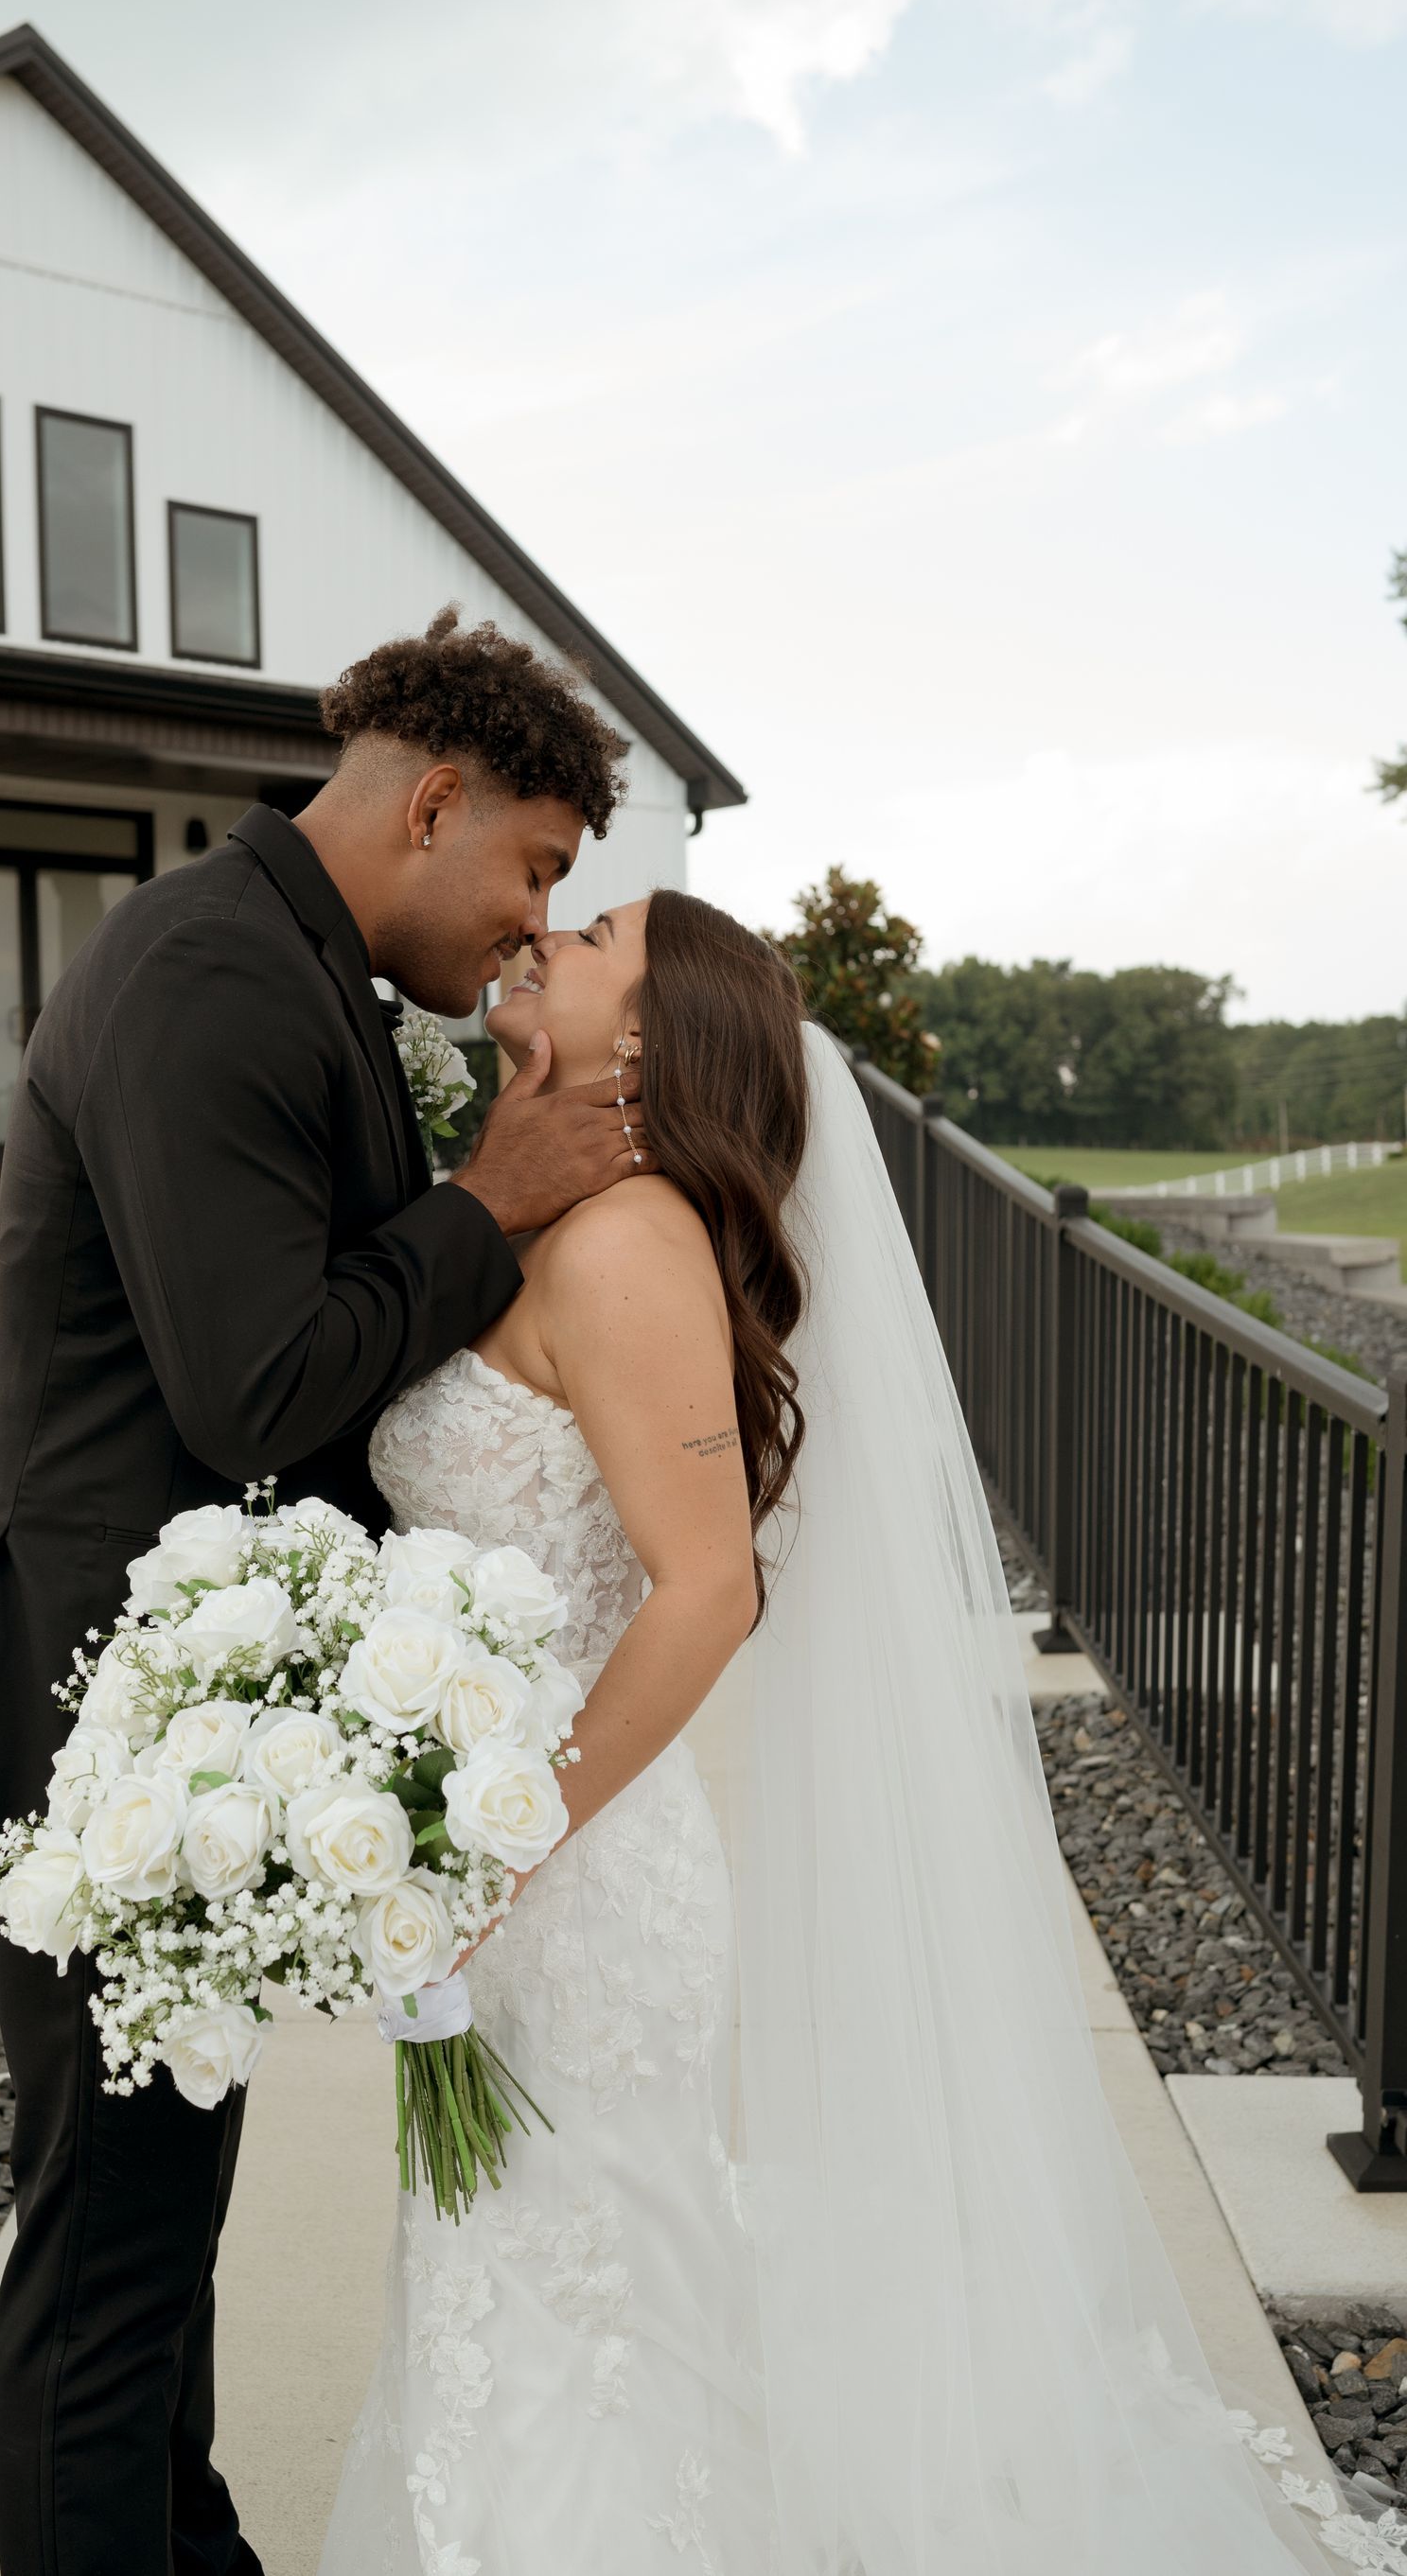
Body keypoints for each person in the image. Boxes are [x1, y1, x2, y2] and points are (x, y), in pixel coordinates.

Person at [323, 889, 1338, 2574]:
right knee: (519, 2283)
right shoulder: (515, 1213)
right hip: (496, 1853)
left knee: (586, 2288)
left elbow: (708, 1590)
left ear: (644, 1042)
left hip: (572, 1874)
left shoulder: (631, 1240)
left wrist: (496, 1840)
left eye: (590, 941)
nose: (541, 939)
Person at [0, 608, 654, 2576]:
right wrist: (496, 1202)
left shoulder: (286, 961)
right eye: (538, 871)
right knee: (108, 2257)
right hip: (89, 1706)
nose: (532, 919)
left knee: (156, 2235)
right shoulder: (215, 973)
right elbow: (257, 1385)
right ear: (437, 798)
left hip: (170, 1695)